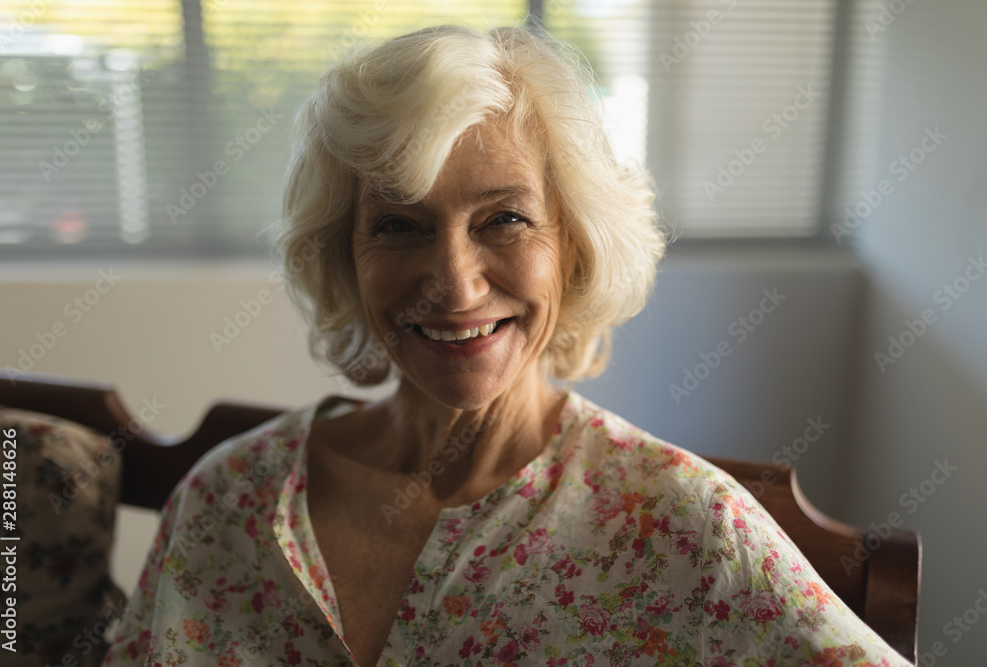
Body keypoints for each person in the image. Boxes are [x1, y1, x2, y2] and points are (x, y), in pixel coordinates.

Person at [104, 24, 912, 666]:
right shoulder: (227, 502)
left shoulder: (684, 528)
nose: (454, 285)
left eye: (505, 218)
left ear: (576, 245)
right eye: (399, 224)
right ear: (344, 255)